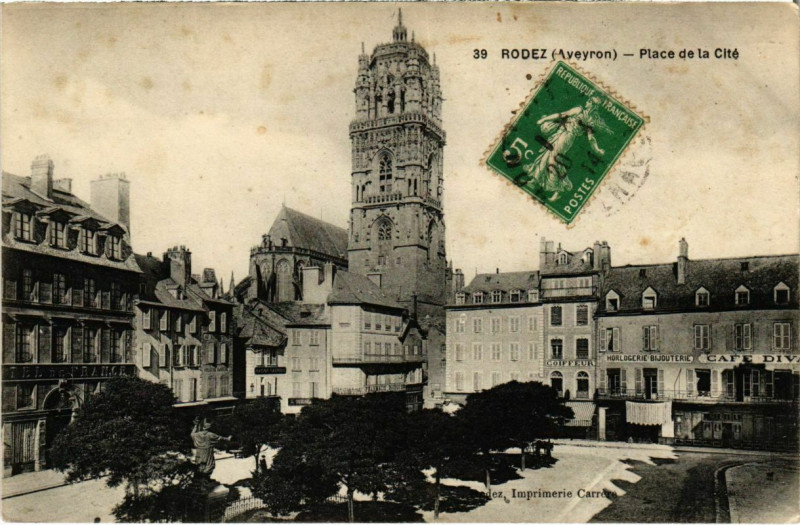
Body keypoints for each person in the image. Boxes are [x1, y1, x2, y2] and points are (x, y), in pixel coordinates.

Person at [518, 95, 612, 200]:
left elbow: (591, 138)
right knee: (545, 155)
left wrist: (597, 149)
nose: (587, 102)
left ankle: (559, 189)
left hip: (566, 138)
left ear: (593, 106)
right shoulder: (578, 110)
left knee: (552, 160)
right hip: (559, 133)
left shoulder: (591, 120)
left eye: (590, 101)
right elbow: (561, 115)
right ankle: (535, 180)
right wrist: (545, 119)